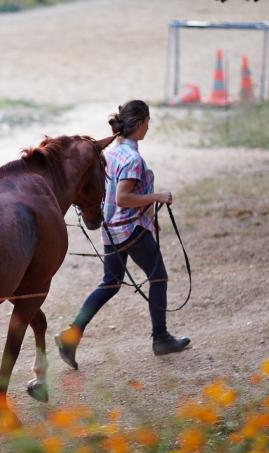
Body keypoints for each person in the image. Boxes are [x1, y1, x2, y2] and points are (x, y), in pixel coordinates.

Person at [55, 100, 190, 369]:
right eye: (148, 122)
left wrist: (151, 216)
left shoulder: (113, 153)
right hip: (131, 229)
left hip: (112, 230)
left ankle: (71, 336)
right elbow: (124, 197)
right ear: (139, 124)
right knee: (159, 277)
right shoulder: (133, 159)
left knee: (110, 283)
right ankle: (160, 338)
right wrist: (157, 196)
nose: (149, 127)